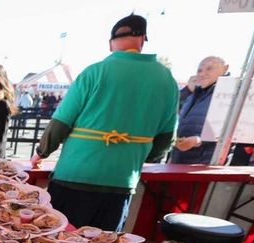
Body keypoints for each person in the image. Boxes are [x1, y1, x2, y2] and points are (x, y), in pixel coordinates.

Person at [31, 14, 178, 231]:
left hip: (75, 176)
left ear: (111, 43)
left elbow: (61, 123)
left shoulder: (95, 71)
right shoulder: (167, 79)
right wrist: (132, 154)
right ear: (143, 38)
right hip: (121, 183)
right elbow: (165, 141)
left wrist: (41, 153)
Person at [170, 56, 229, 165]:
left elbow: (232, 129)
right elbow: (174, 110)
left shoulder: (229, 93)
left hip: (205, 160)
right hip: (180, 157)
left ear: (225, 69)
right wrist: (188, 90)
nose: (202, 74)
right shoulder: (196, 92)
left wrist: (200, 140)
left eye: (209, 69)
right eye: (199, 70)